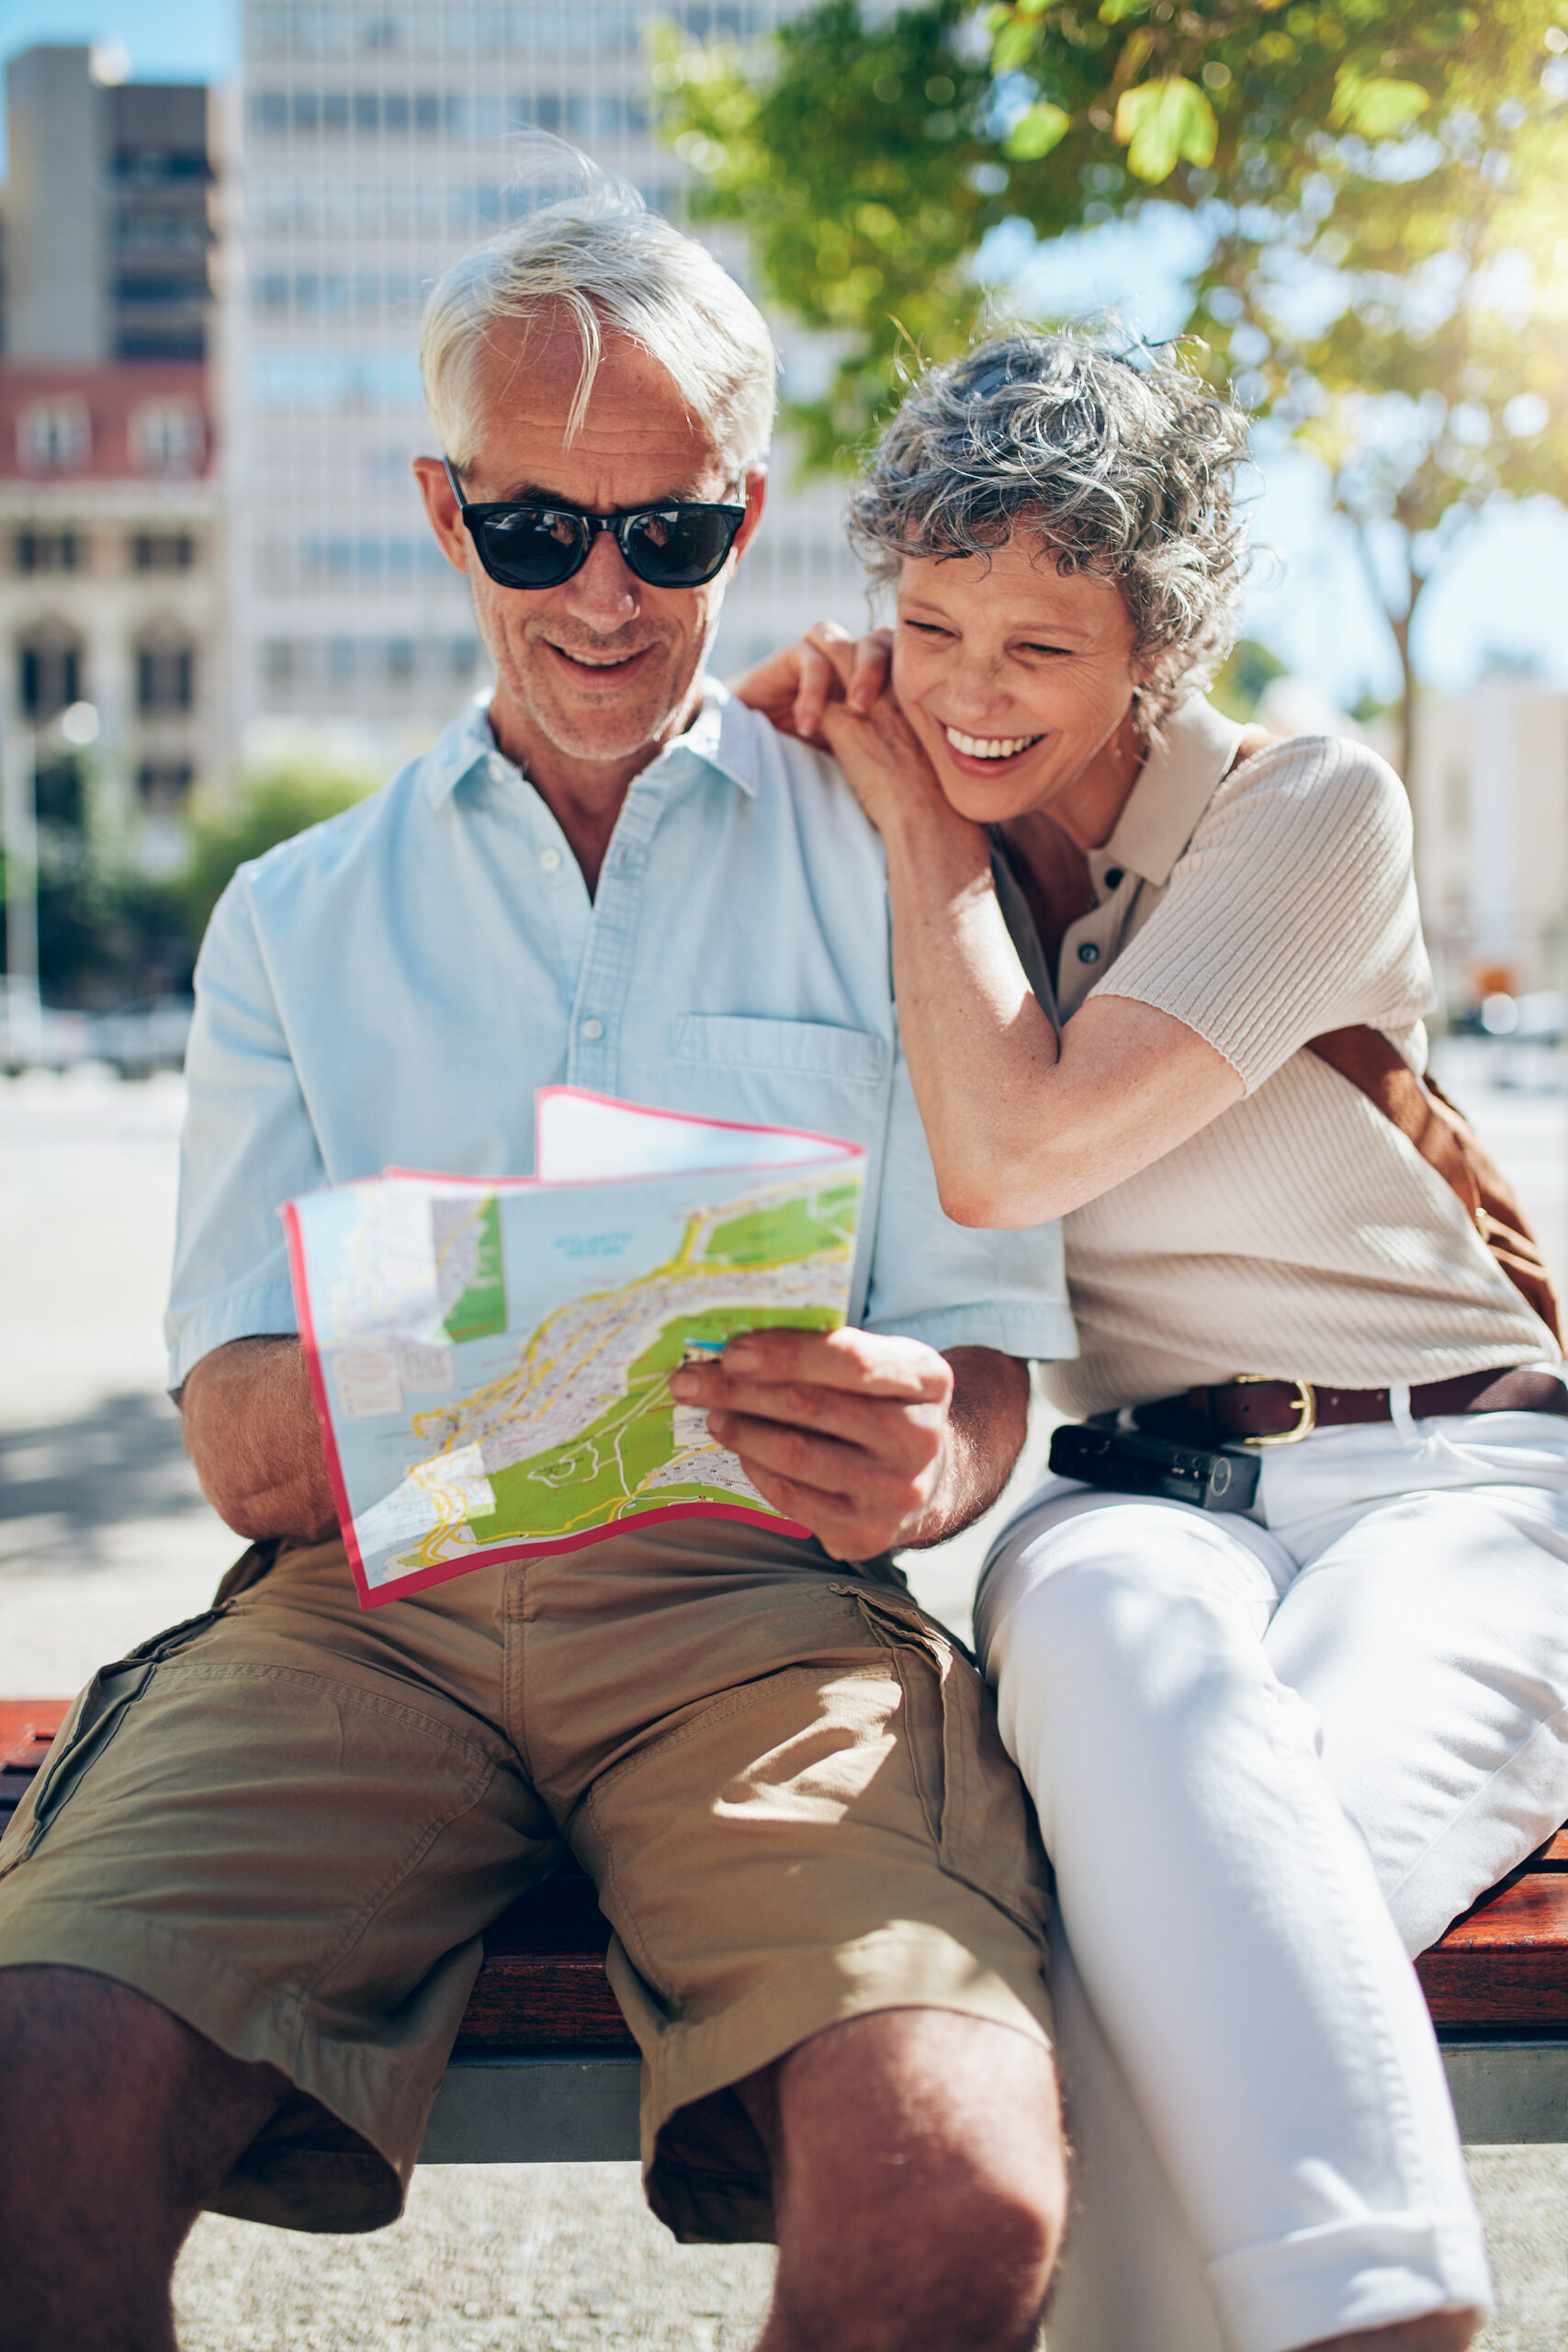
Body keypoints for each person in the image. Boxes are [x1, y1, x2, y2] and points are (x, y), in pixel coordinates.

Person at [0, 189, 1077, 2352]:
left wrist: (918, 1457)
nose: (600, 594)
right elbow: (234, 1434)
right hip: (358, 1619)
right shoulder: (292, 916)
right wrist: (493, 1363)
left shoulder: (894, 851)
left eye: (665, 537)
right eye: (532, 531)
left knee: (953, 2185)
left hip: (757, 1616)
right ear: (440, 510)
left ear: (740, 515)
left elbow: (984, 1374)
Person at [756, 329, 1568, 2352]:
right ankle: (1369, 2309)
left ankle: (1361, 2306)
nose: (956, 693)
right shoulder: (885, 804)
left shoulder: (1305, 807)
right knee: (1107, 1652)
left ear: (1156, 646)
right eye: (925, 625)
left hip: (1455, 1472)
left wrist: (917, 837)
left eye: (1034, 649)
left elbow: (1020, 1144)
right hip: (1139, 1495)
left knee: (1192, 1907)